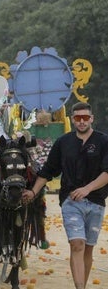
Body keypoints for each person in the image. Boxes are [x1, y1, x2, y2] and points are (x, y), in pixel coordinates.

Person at [23, 102, 108, 289]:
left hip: (96, 202)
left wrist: (87, 189)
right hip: (71, 201)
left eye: (86, 117)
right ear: (72, 119)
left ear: (92, 118)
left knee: (87, 249)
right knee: (77, 244)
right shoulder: (63, 142)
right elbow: (48, 171)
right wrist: (33, 191)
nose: (82, 121)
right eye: (78, 118)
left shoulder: (103, 141)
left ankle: (82, 285)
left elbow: (107, 173)